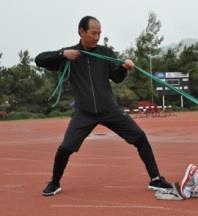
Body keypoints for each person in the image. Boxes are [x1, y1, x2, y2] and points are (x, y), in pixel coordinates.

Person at [35, 16, 172, 196]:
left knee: (139, 137)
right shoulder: (70, 55)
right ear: (81, 32)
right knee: (66, 147)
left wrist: (124, 67)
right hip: (84, 112)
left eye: (99, 33)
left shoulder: (105, 53)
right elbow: (39, 60)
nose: (97, 37)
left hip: (109, 109)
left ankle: (156, 179)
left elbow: (116, 77)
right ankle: (54, 183)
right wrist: (62, 54)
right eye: (93, 33)